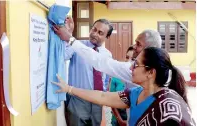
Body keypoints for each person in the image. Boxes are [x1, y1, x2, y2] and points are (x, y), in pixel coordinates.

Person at [52, 47, 196, 126]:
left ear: (150, 72)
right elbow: (103, 96)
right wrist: (69, 89)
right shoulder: (136, 94)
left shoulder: (169, 107)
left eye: (136, 64)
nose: (131, 68)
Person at [53, 22, 162, 84]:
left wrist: (70, 38)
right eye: (94, 30)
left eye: (138, 44)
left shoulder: (133, 69)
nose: (133, 46)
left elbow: (100, 63)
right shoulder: (135, 67)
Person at [63, 17, 113, 126]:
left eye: (100, 33)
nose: (95, 34)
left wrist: (103, 98)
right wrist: (68, 35)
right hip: (77, 100)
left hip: (97, 101)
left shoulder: (107, 55)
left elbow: (106, 79)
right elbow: (63, 55)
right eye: (94, 29)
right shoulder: (77, 45)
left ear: (107, 37)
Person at [109, 46, 134, 126]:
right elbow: (111, 100)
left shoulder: (138, 80)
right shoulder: (116, 76)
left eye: (133, 59)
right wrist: (119, 120)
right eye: (127, 57)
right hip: (117, 120)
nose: (128, 61)